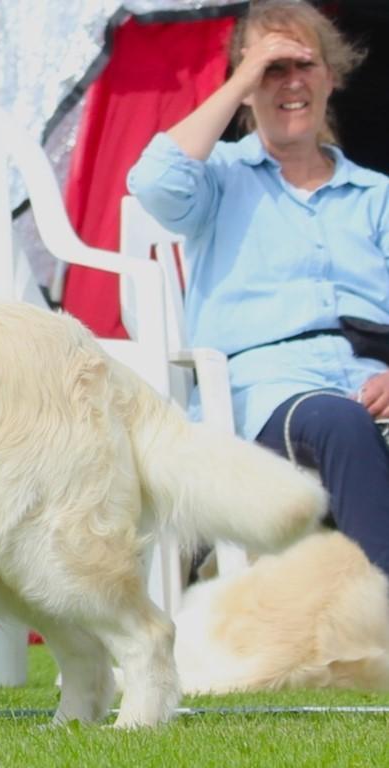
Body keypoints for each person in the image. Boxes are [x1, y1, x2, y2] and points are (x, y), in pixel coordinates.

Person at [128, 0, 389, 576]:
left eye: (304, 64)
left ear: (331, 76)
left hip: (371, 378)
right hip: (264, 392)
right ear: (246, 86)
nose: (290, 82)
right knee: (339, 422)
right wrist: (246, 72)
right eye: (273, 68)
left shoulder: (375, 196)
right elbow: (152, 181)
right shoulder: (219, 180)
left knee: (350, 419)